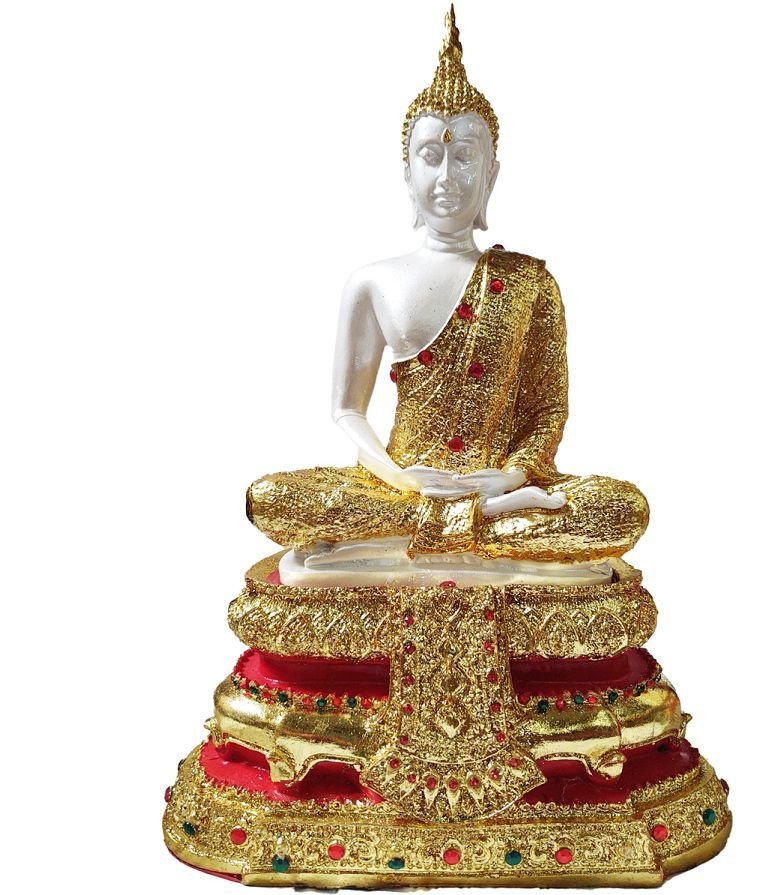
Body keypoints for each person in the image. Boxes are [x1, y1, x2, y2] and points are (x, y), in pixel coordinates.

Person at [247, 8, 648, 566]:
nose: (446, 178)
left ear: (491, 174)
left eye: (464, 158)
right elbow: (346, 410)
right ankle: (479, 522)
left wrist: (510, 476)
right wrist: (400, 477)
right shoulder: (372, 281)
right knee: (271, 498)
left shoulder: (529, 282)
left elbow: (547, 411)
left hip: (500, 481)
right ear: (407, 172)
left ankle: (439, 524)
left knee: (621, 507)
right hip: (399, 482)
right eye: (431, 157)